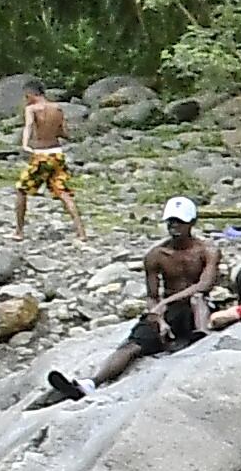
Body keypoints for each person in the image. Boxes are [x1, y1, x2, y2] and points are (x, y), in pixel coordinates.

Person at [37, 201, 221, 402]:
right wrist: (158, 317)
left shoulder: (207, 250)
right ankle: (91, 383)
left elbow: (204, 285)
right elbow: (152, 296)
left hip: (195, 308)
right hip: (171, 310)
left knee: (197, 298)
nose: (174, 227)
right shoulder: (156, 255)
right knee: (134, 343)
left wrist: (163, 304)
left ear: (192, 222)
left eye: (180, 222)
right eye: (171, 222)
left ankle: (203, 337)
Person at [12, 82, 80, 237]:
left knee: (21, 189)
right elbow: (64, 132)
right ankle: (81, 233)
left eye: (26, 96)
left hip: (42, 155)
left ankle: (19, 232)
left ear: (30, 94)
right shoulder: (57, 108)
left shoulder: (32, 109)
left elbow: (28, 126)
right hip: (57, 153)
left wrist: (25, 144)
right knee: (63, 192)